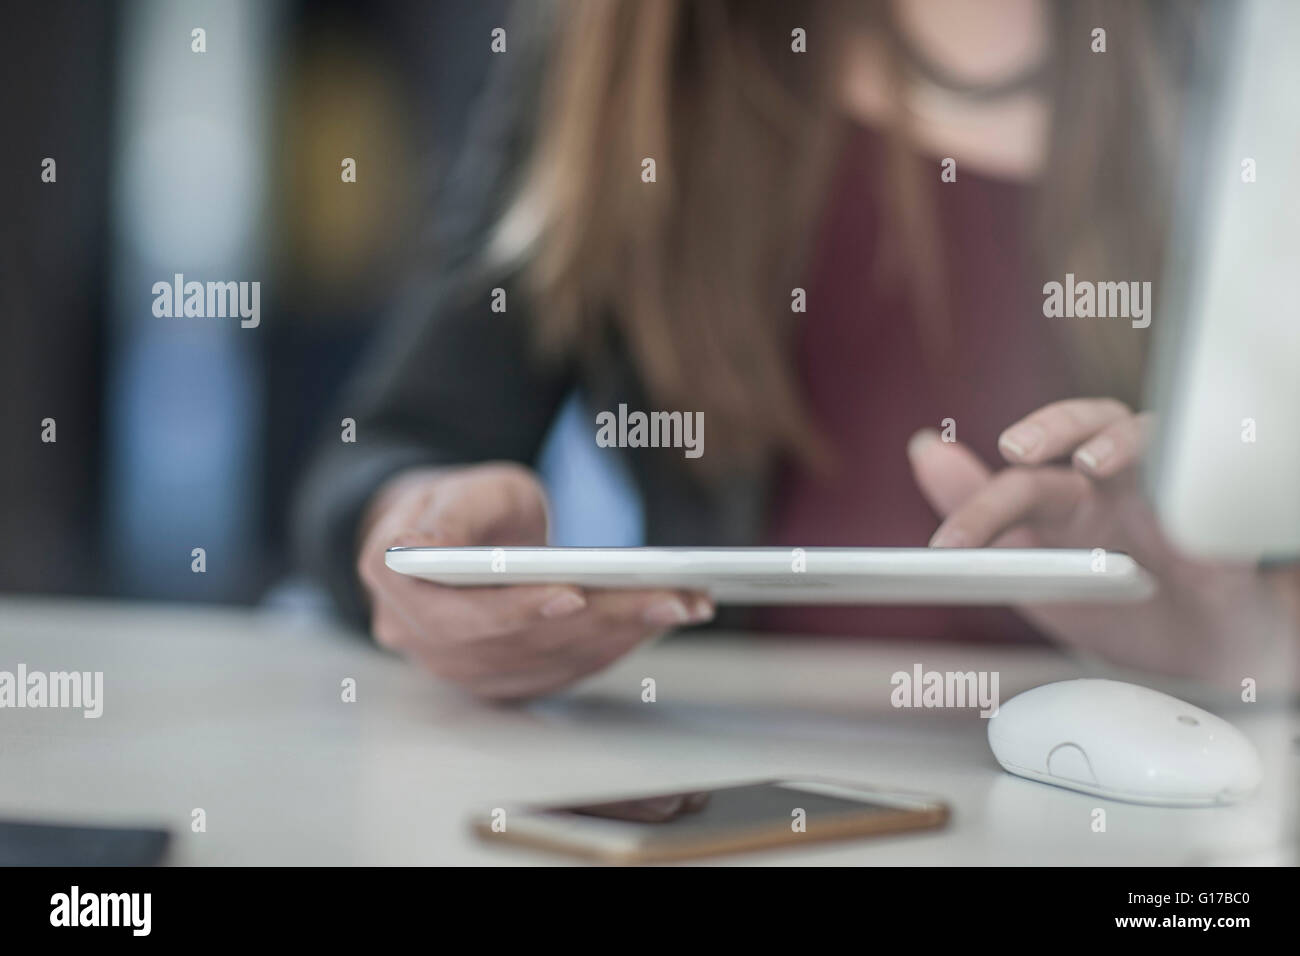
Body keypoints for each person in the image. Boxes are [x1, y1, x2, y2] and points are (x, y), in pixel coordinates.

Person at [295, 0, 1299, 700]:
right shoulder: (634, 48)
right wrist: (419, 540)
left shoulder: (1240, 52)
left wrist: (1244, 628)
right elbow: (386, 449)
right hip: (734, 790)